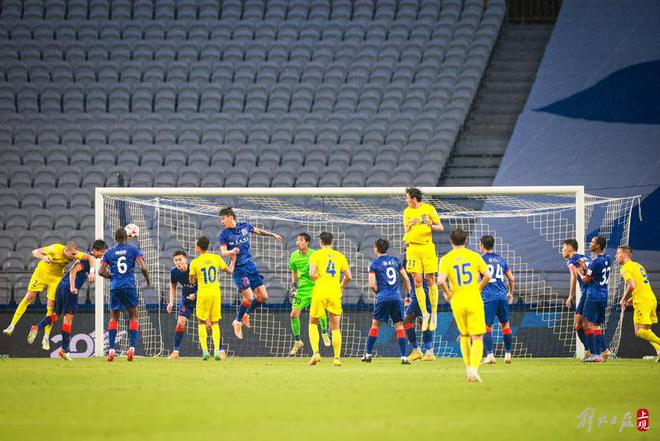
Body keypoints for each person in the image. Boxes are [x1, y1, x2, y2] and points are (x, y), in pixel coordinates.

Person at [3, 241, 96, 351]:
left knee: (51, 307)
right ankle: (12, 325)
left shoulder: (74, 254)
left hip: (55, 278)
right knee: (29, 297)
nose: (73, 257)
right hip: (42, 273)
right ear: (65, 250)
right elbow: (35, 252)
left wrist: (91, 272)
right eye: (71, 255)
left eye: (75, 254)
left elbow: (91, 258)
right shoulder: (54, 249)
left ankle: (46, 337)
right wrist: (43, 258)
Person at [27, 240, 107, 360]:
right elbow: (74, 271)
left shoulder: (87, 258)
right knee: (68, 318)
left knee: (57, 315)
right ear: (95, 250)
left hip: (61, 286)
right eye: (101, 252)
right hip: (69, 288)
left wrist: (90, 273)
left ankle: (36, 328)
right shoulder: (86, 260)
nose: (102, 254)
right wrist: (72, 286)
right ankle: (65, 350)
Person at [217, 207, 282, 339]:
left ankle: (246, 314)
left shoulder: (244, 226)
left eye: (223, 218)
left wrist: (272, 234)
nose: (222, 222)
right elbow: (223, 252)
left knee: (263, 297)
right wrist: (231, 252)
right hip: (239, 269)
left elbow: (258, 231)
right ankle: (237, 321)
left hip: (250, 266)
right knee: (249, 297)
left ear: (230, 217)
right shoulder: (223, 234)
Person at [438, 229, 492, 383]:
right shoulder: (474, 256)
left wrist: (448, 294)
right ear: (466, 241)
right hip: (474, 299)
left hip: (457, 301)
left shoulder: (446, 259)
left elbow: (441, 281)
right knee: (478, 337)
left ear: (451, 242)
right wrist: (479, 287)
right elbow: (488, 275)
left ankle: (468, 368)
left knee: (464, 336)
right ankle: (474, 370)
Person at [99, 228, 151, 362]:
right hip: (129, 286)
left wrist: (111, 276)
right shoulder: (133, 250)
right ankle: (132, 348)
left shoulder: (108, 252)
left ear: (115, 238)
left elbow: (100, 271)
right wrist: (148, 280)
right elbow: (143, 267)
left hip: (115, 287)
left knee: (113, 317)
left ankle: (110, 350)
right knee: (134, 316)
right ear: (126, 237)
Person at [361, 239, 412, 364]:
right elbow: (406, 278)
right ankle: (404, 357)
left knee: (375, 325)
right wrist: (409, 295)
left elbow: (372, 284)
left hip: (383, 298)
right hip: (397, 298)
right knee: (399, 326)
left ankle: (368, 355)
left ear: (375, 248)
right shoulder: (395, 261)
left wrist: (378, 293)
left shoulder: (374, 264)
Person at [402, 187, 444, 331]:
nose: (406, 200)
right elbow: (406, 231)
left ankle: (433, 314)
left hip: (427, 247)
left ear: (414, 198)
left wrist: (431, 225)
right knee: (417, 281)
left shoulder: (428, 209)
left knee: (430, 279)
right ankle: (425, 314)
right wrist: (410, 225)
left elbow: (441, 227)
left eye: (407, 197)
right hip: (412, 249)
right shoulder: (407, 212)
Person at [307, 232, 352, 367]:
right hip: (334, 292)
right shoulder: (340, 256)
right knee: (335, 327)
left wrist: (318, 279)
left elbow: (311, 274)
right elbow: (349, 276)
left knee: (313, 323)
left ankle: (316, 353)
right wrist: (341, 286)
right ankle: (337, 358)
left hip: (320, 290)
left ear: (320, 242)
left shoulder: (316, 254)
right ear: (332, 242)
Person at [189, 236, 234, 360]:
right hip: (215, 293)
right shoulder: (216, 258)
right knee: (215, 322)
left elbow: (192, 281)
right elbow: (229, 271)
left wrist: (195, 277)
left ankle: (204, 351)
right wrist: (233, 260)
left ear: (198, 247)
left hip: (203, 294)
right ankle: (216, 351)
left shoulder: (195, 262)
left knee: (202, 322)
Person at [288, 233, 330, 355]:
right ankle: (298, 341)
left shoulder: (315, 254)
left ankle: (324, 332)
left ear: (307, 242)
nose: (298, 243)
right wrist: (293, 286)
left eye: (301, 240)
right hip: (302, 290)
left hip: (316, 286)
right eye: (297, 240)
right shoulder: (294, 256)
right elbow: (294, 271)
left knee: (320, 311)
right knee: (293, 315)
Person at [616, 246, 660, 361]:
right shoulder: (638, 265)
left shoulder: (625, 268)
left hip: (642, 302)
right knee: (646, 330)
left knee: (639, 331)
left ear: (624, 255)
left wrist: (624, 299)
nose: (616, 256)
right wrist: (631, 300)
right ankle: (659, 351)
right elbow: (641, 286)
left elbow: (632, 286)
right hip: (651, 299)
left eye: (618, 254)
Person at [575, 236, 612, 362]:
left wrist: (580, 272)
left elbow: (586, 281)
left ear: (598, 246)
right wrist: (587, 269)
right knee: (596, 324)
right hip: (603, 295)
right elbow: (596, 274)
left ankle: (595, 355)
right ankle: (604, 351)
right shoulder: (607, 258)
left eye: (592, 242)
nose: (590, 244)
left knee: (586, 323)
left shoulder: (595, 262)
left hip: (593, 296)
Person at [479, 235, 515, 364]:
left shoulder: (480, 259)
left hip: (489, 296)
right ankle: (508, 354)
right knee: (505, 324)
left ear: (482, 245)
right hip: (502, 296)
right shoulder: (501, 259)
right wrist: (510, 293)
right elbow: (511, 278)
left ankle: (489, 355)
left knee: (486, 326)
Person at [562, 239, 592, 359]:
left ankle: (591, 349)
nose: (562, 250)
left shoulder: (572, 260)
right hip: (596, 291)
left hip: (587, 293)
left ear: (570, 248)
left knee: (578, 324)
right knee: (588, 323)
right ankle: (594, 349)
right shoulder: (585, 258)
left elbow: (573, 277)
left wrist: (570, 297)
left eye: (563, 247)